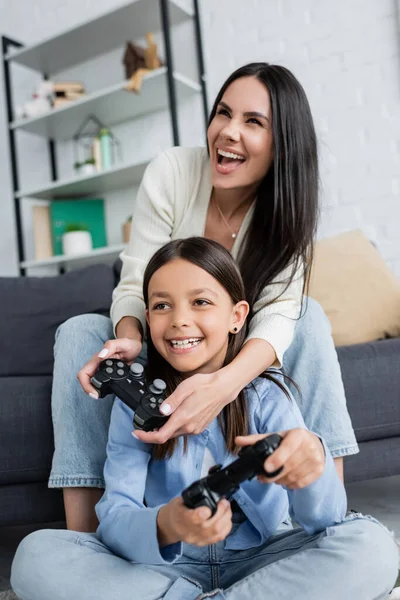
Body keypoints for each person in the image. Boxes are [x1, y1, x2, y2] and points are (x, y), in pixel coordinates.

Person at [49, 62, 359, 533]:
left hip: (235, 345)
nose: (228, 132)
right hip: (161, 333)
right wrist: (131, 336)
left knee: (308, 317)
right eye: (222, 113)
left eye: (253, 122)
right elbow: (135, 284)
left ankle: (327, 512)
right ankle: (86, 539)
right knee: (77, 332)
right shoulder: (173, 171)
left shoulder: (287, 214)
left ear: (283, 145)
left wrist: (226, 384)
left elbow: (278, 318)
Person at [11, 238, 398, 600]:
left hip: (262, 558)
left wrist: (313, 464)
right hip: (169, 569)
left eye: (200, 302)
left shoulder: (266, 392)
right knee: (36, 555)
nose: (179, 320)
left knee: (372, 544)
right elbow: (115, 519)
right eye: (162, 306)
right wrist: (168, 525)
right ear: (146, 319)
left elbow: (324, 520)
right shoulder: (135, 404)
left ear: (237, 316)